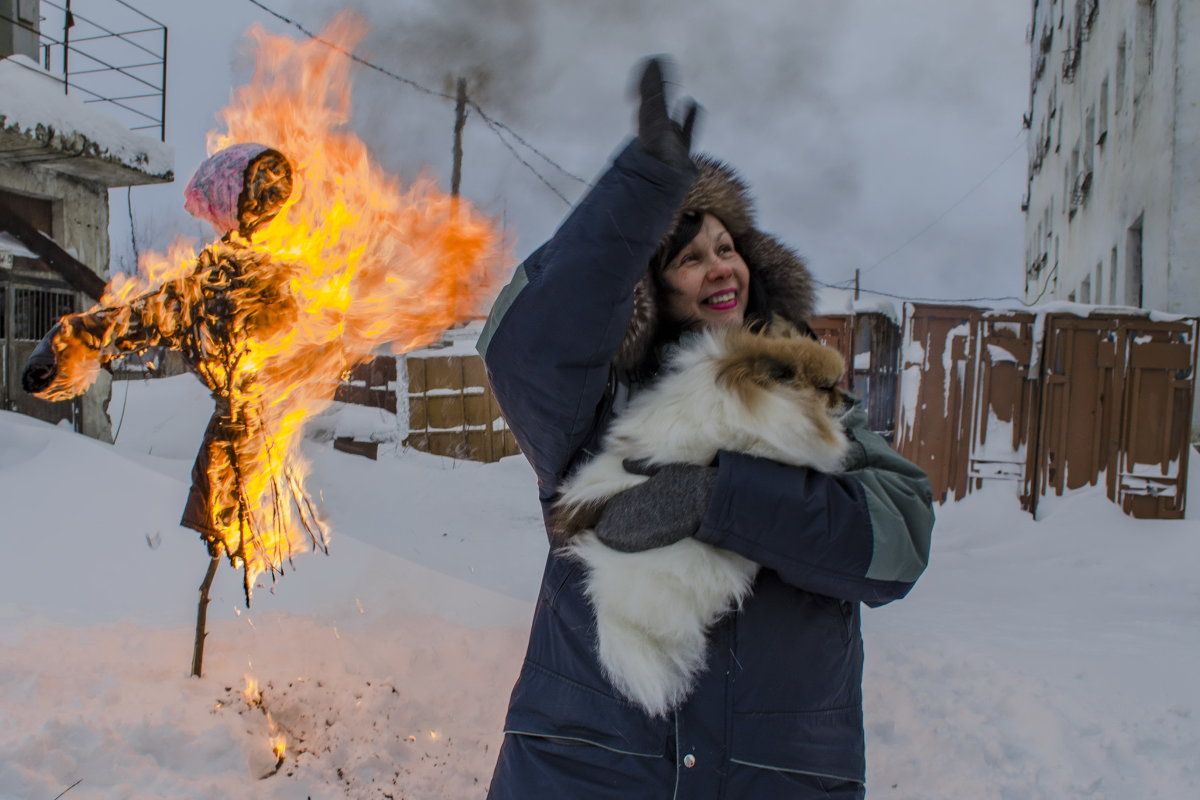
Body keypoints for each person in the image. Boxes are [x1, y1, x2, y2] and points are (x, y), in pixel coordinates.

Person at [476, 58, 934, 799]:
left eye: (727, 248)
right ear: (650, 291)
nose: (720, 267)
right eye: (688, 258)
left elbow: (896, 544)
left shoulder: (815, 403)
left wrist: (721, 498)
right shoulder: (597, 414)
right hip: (588, 772)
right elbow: (527, 348)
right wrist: (640, 191)